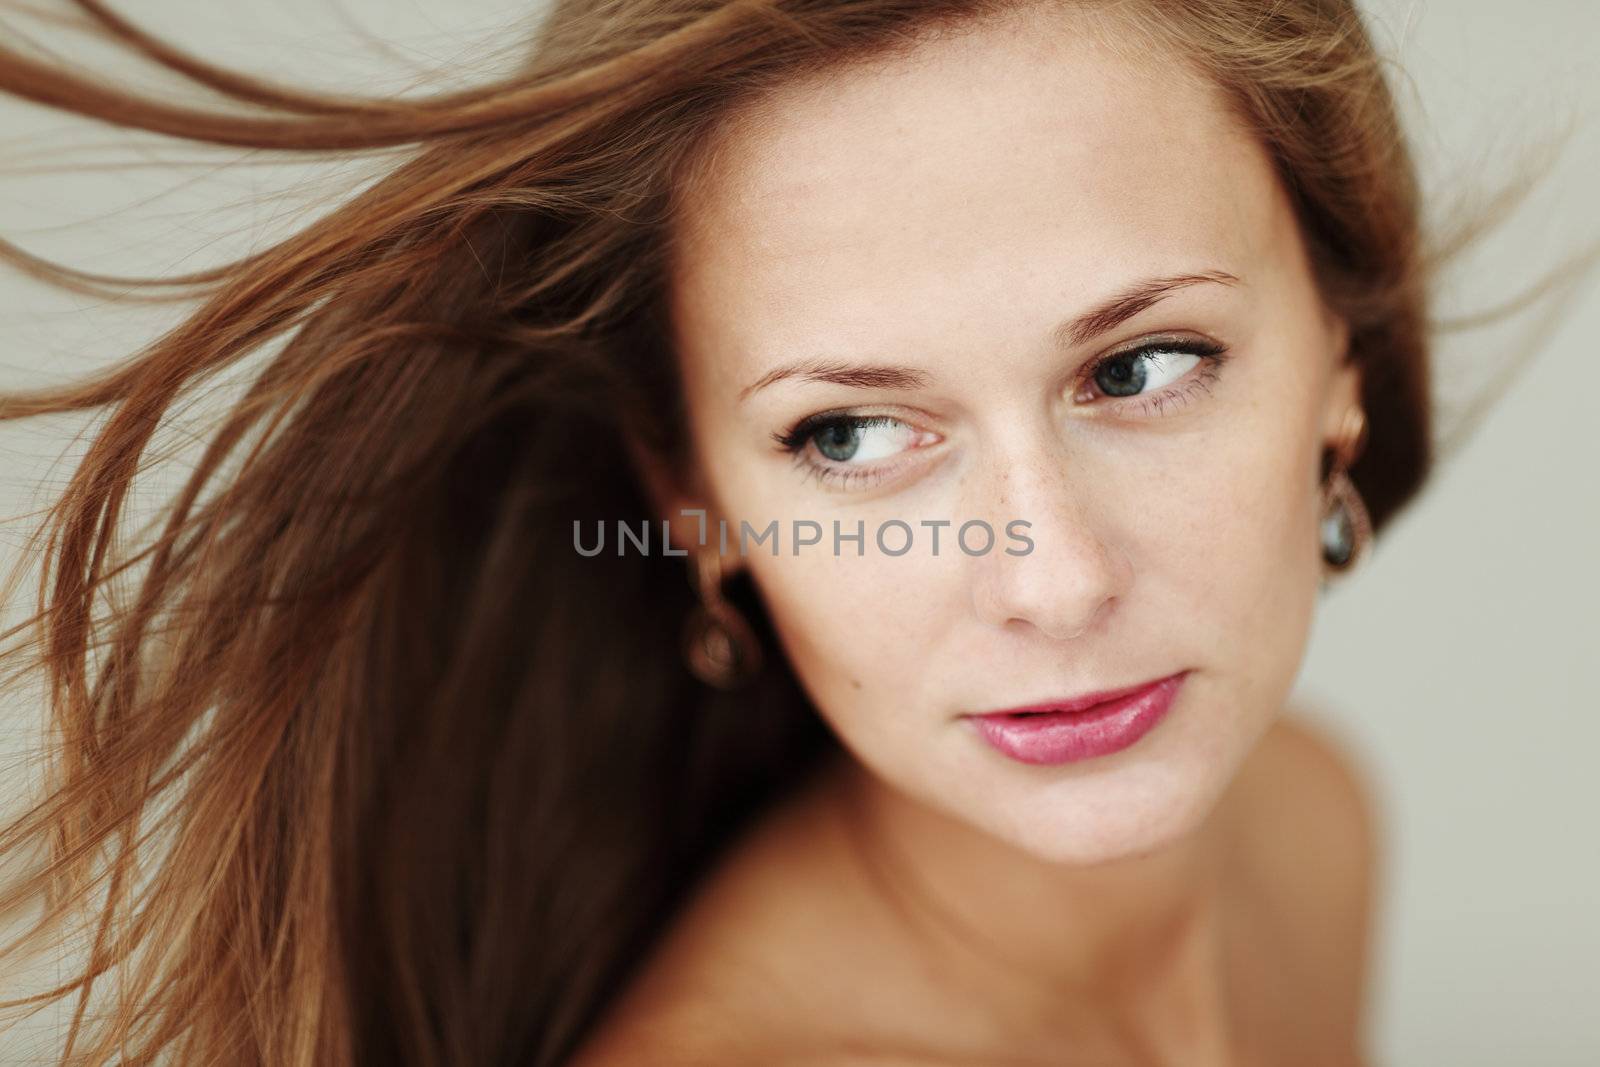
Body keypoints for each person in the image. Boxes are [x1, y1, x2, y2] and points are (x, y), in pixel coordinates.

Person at [0, 1, 1561, 1064]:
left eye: (1141, 368)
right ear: (694, 504)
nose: (1058, 578)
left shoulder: (1304, 826)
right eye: (854, 435)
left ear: (1343, 356)